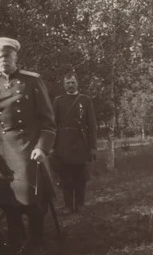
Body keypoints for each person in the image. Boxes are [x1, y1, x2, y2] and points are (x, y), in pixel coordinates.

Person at [0, 37, 57, 255]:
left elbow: (48, 122)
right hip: (2, 151)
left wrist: (42, 147)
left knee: (30, 200)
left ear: (15, 56)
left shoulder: (32, 81)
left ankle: (36, 240)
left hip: (27, 149)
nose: (3, 60)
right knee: (7, 200)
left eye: (7, 56)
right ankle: (16, 239)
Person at [52, 72, 97, 213]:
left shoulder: (85, 100)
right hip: (63, 143)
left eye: (72, 82)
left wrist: (93, 147)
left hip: (80, 142)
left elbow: (92, 124)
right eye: (67, 83)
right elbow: (53, 125)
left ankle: (79, 204)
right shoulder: (58, 101)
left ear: (77, 83)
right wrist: (53, 146)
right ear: (63, 85)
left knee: (80, 175)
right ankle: (67, 205)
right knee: (65, 176)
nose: (70, 85)